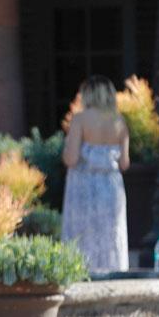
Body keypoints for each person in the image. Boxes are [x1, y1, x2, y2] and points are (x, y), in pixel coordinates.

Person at [61, 75, 130, 274]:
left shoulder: (80, 119)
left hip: (83, 185)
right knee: (110, 231)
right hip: (111, 187)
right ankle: (113, 271)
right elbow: (124, 163)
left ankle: (81, 271)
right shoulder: (119, 121)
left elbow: (72, 158)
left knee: (82, 232)